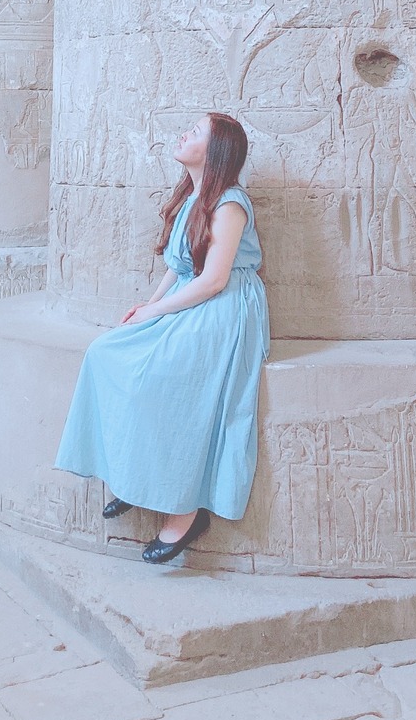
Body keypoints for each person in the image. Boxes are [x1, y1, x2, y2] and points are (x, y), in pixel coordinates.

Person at [55, 112, 269, 564]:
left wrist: (156, 311)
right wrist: (147, 306)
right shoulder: (192, 196)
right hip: (190, 297)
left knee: (163, 377)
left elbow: (213, 279)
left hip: (224, 306)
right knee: (104, 353)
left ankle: (186, 511)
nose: (185, 134)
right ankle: (133, 475)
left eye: (197, 132)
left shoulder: (229, 204)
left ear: (215, 151)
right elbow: (179, 265)